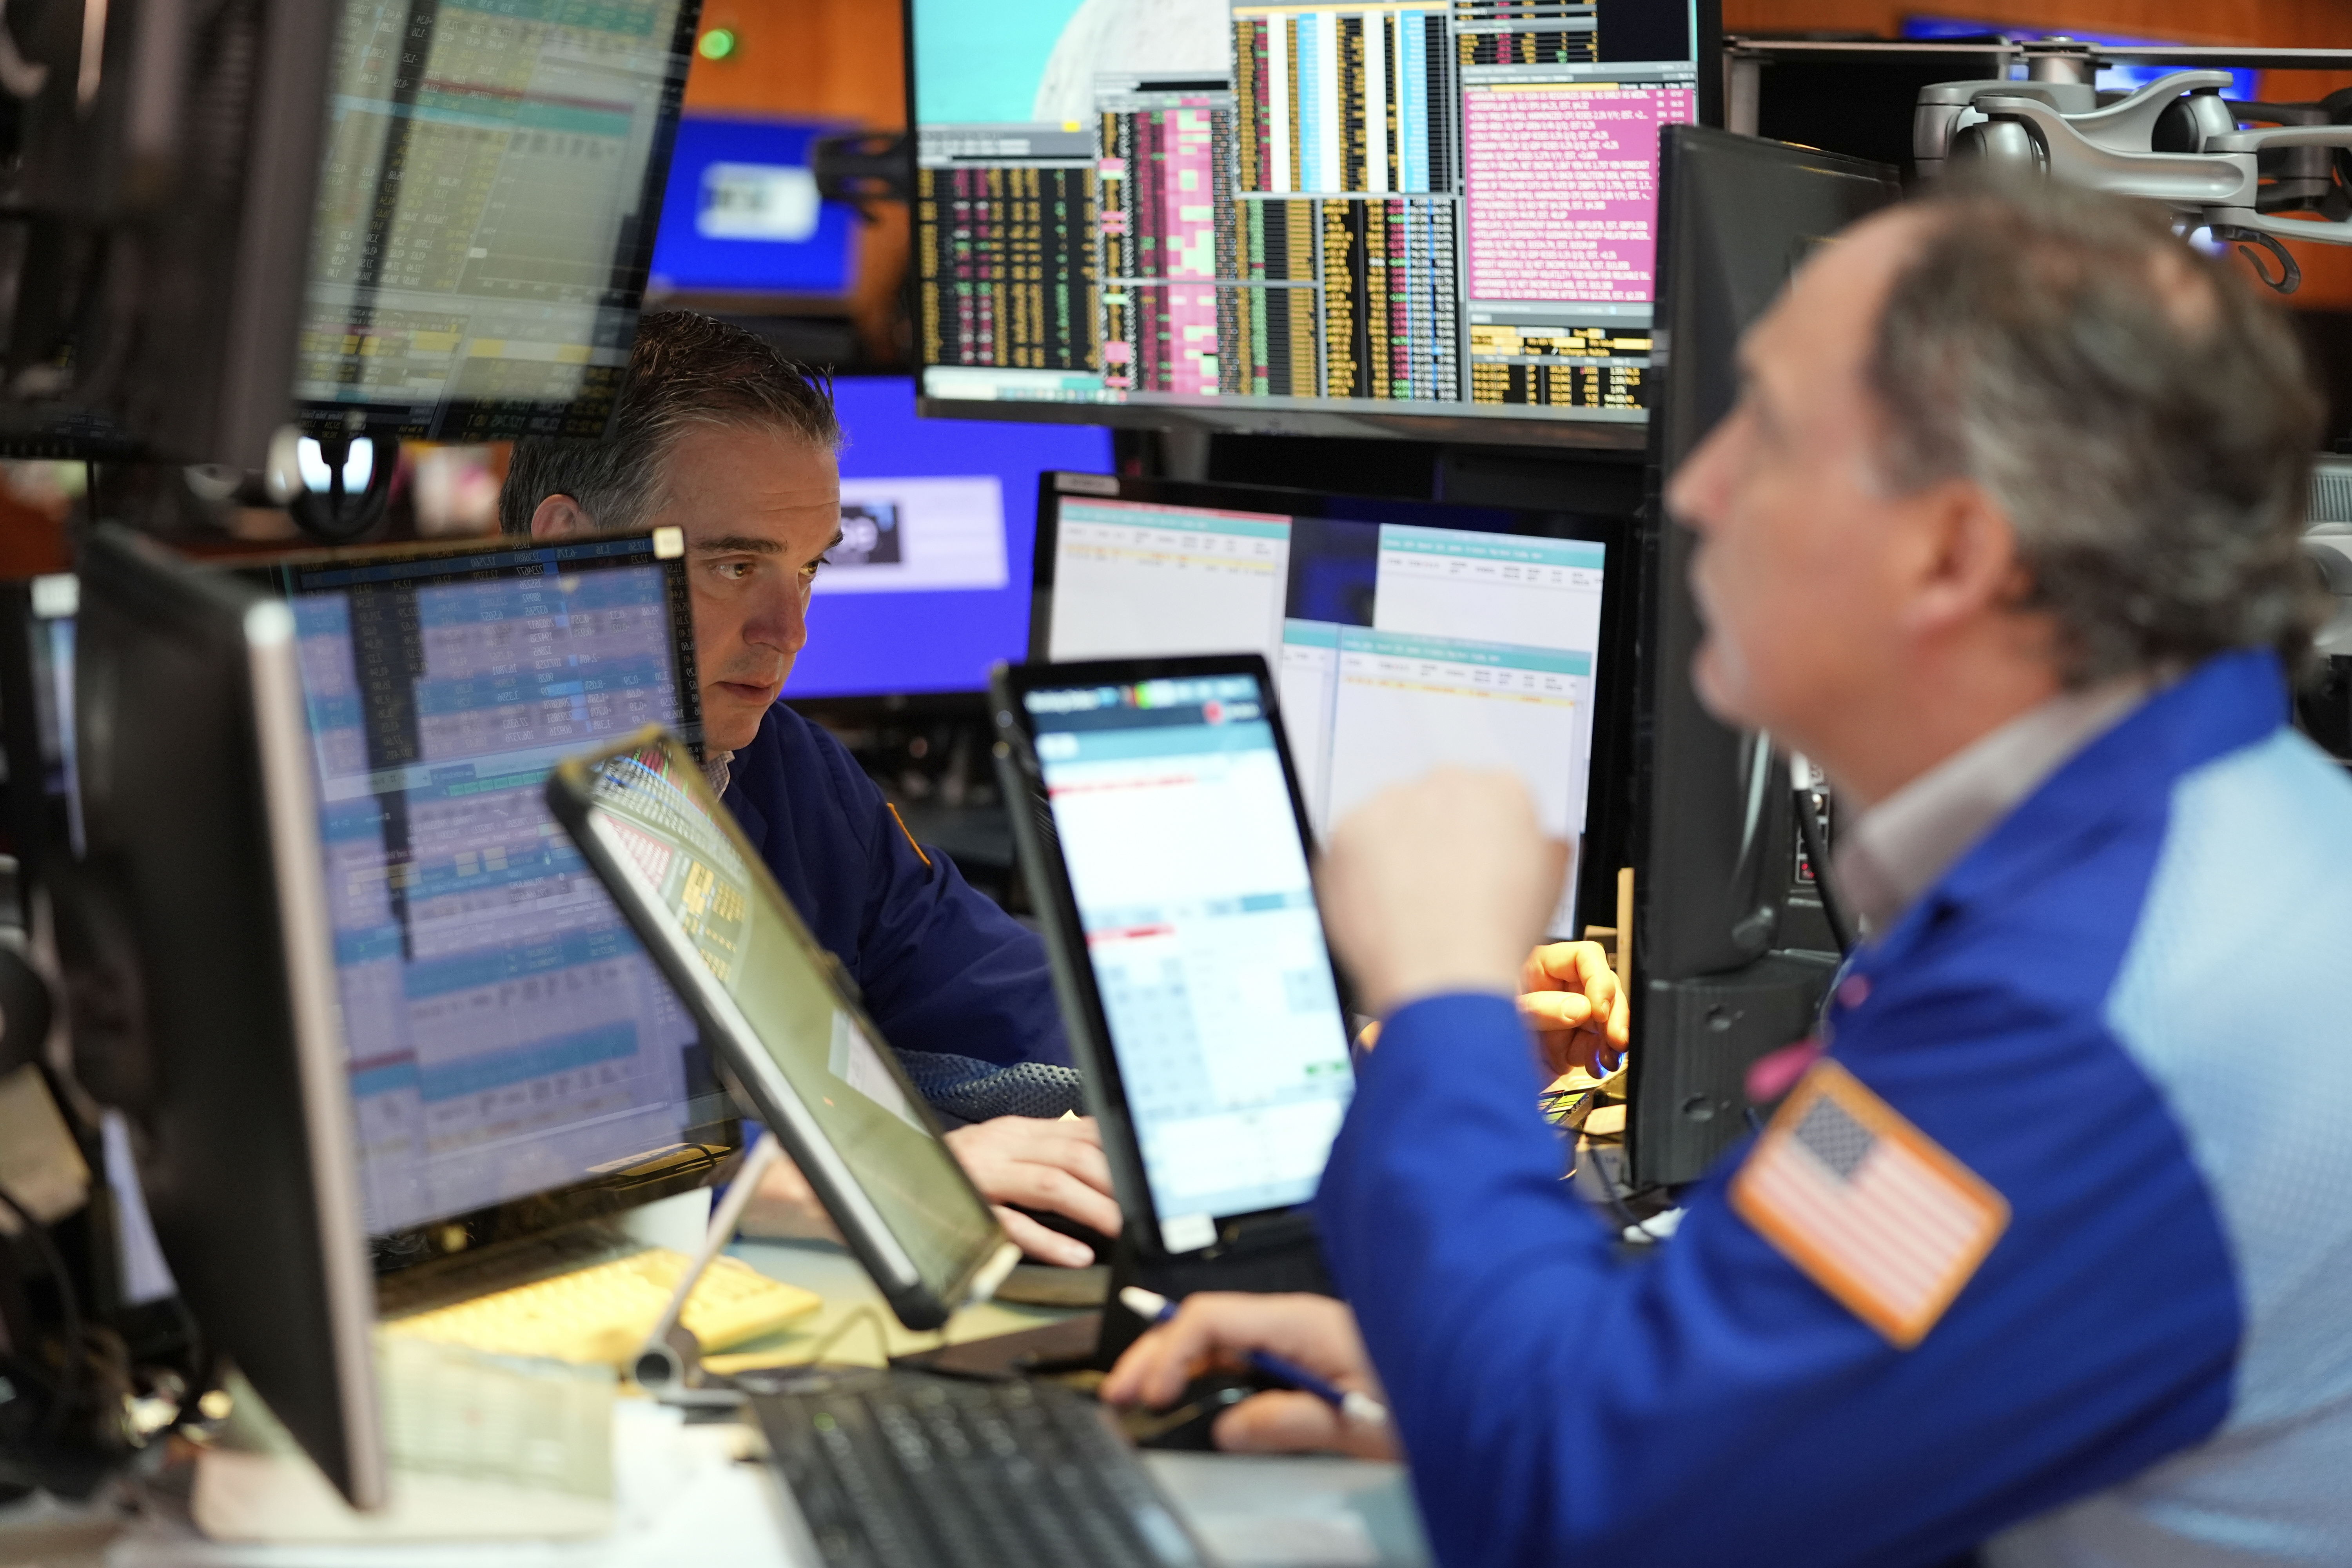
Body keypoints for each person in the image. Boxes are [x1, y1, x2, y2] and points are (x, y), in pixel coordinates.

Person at [1106, 181, 2352, 1564]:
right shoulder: (2182, 858)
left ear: (1955, 547)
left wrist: (1447, 988)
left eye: (1762, 432)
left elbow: (1592, 1517)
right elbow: (1789, 1373)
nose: (1694, 490)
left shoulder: (2084, 1012)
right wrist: (1470, 1373)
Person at [501, 312, 1115, 1266]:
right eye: (735, 565)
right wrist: (837, 1178)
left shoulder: (788, 770)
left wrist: (1290, 1033)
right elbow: (479, 1162)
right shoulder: (410, 819)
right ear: (571, 555)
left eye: (810, 568)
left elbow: (1002, 992)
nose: (789, 631)